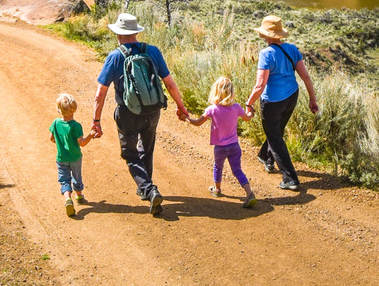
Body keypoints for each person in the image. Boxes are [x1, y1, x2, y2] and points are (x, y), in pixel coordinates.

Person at [90, 12, 190, 215]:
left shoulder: (116, 56)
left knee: (129, 153)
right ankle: (146, 189)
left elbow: (101, 93)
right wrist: (181, 106)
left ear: (118, 34)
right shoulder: (152, 51)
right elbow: (169, 83)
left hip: (128, 112)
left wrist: (96, 120)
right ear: (136, 32)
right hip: (153, 109)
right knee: (147, 147)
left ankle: (149, 190)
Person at [245, 15, 319, 192]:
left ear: (266, 35)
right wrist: (312, 99)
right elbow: (306, 77)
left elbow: (260, 85)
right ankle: (266, 157)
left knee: (275, 137)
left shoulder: (266, 54)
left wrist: (249, 103)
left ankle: (290, 179)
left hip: (272, 102)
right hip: (292, 96)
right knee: (276, 131)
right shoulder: (292, 49)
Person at [187, 75, 258, 208]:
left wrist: (186, 118)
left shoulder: (212, 109)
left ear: (216, 91)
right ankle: (249, 193)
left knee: (218, 167)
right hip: (234, 146)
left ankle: (217, 189)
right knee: (237, 171)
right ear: (231, 92)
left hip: (220, 148)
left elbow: (197, 123)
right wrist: (251, 112)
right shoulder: (236, 107)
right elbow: (247, 118)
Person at [50, 93, 96, 217]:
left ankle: (67, 199)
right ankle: (79, 196)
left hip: (61, 158)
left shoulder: (55, 123)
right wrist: (91, 135)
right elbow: (82, 143)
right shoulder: (76, 126)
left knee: (64, 180)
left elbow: (51, 138)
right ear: (74, 108)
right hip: (75, 157)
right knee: (77, 176)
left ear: (59, 110)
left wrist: (59, 140)